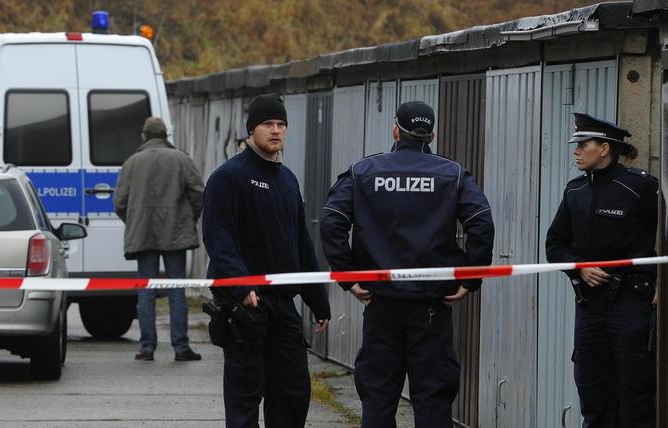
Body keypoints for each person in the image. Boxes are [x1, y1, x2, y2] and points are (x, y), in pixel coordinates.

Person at [321, 101, 494, 428]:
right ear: (431, 135)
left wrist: (348, 277)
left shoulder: (363, 171)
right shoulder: (452, 174)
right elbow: (481, 223)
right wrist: (468, 279)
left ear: (395, 131)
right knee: (433, 398)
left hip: (380, 302)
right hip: (432, 305)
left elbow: (332, 221)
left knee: (378, 395)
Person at [202, 93, 331, 428]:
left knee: (293, 391)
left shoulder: (287, 179)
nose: (275, 130)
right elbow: (218, 236)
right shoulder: (229, 176)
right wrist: (241, 285)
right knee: (245, 394)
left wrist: (318, 299)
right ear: (251, 130)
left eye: (281, 124)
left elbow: (301, 243)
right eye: (267, 124)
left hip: (283, 304)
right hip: (245, 305)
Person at [546, 113, 658, 427]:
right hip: (589, 305)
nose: (576, 151)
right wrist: (579, 268)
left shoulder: (640, 186)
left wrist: (662, 286)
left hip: (630, 302)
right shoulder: (575, 191)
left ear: (605, 149)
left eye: (583, 144)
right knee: (592, 389)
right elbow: (555, 244)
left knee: (634, 391)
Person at [114, 117, 205, 362]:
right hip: (176, 232)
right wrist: (189, 219)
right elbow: (199, 193)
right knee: (176, 289)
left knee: (146, 290)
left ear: (144, 136)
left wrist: (134, 221)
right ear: (165, 136)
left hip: (142, 234)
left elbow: (119, 202)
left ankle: (147, 347)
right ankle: (181, 347)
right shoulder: (181, 159)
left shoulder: (132, 163)